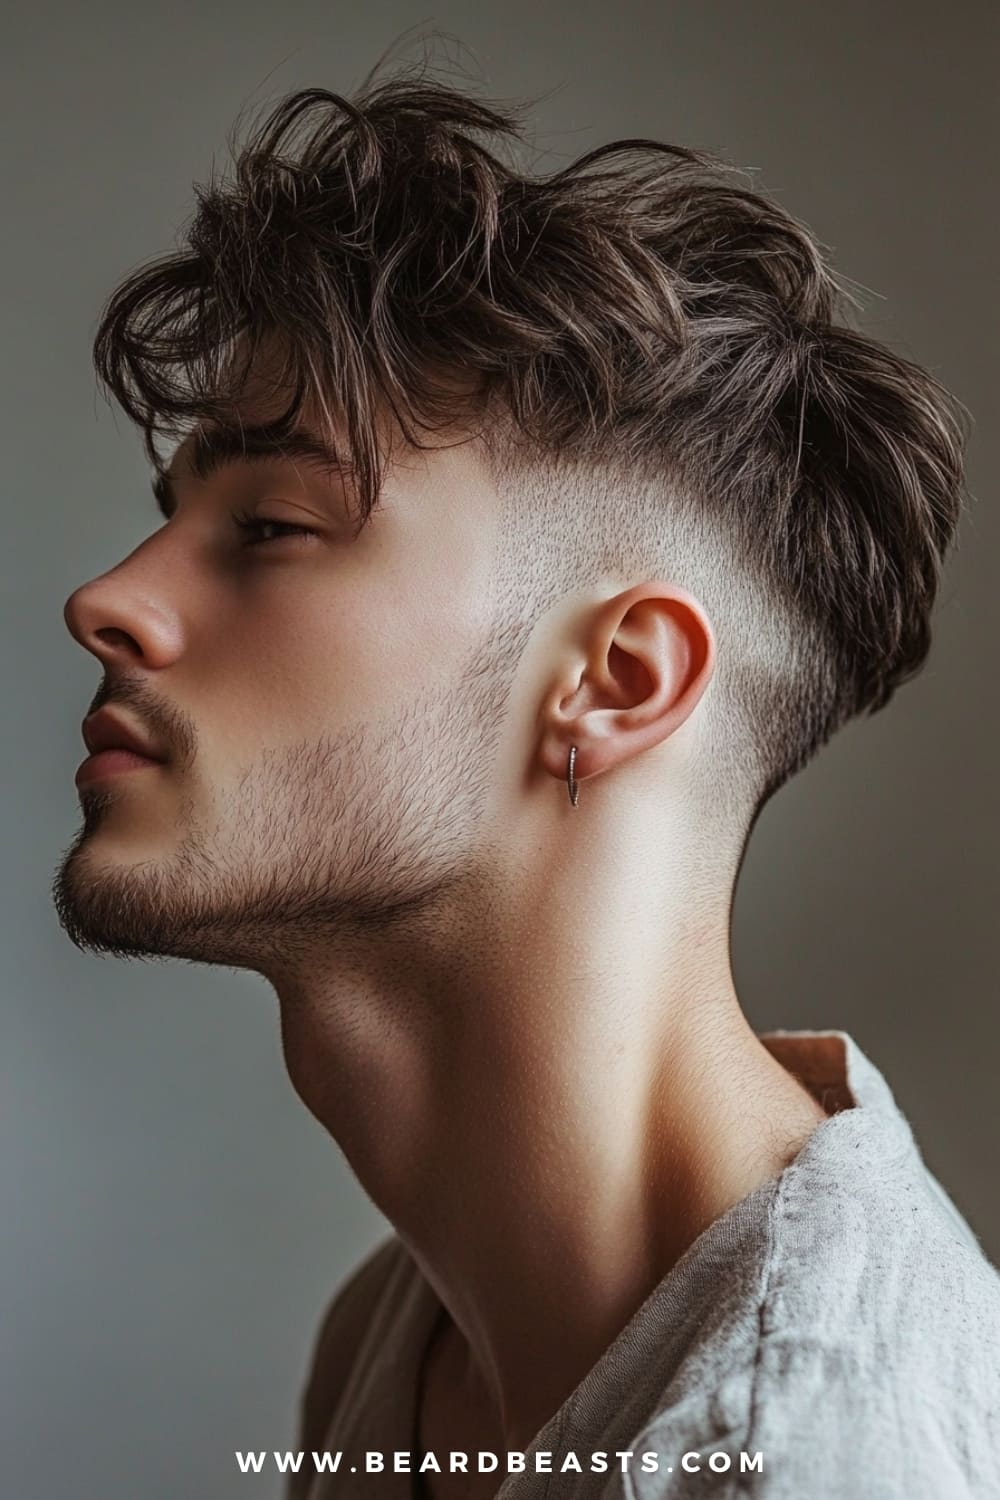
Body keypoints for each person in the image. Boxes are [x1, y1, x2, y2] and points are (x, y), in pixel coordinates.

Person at [52, 61, 1000, 1500]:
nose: (109, 601)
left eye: (275, 527)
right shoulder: (402, 1334)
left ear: (615, 683)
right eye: (171, 515)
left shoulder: (821, 1457)